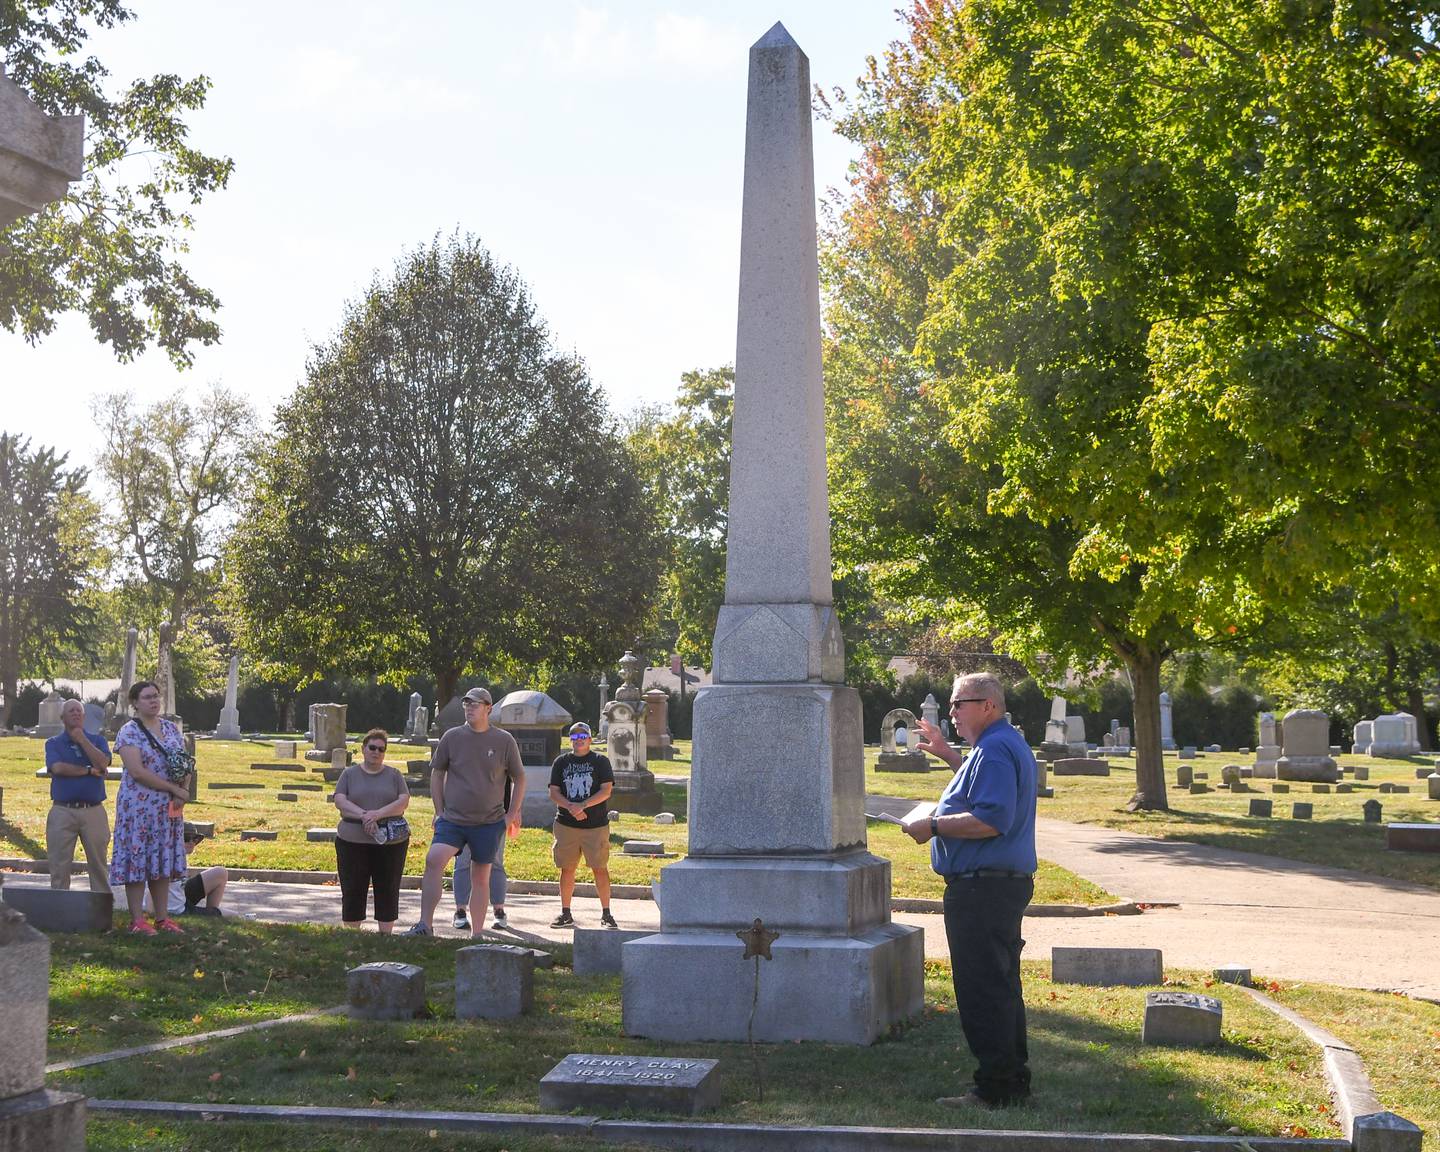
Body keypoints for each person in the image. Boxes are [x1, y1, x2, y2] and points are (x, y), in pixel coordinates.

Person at [903, 672, 1038, 1109]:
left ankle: (995, 1088)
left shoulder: (996, 749)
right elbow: (987, 792)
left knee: (983, 990)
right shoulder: (997, 745)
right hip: (995, 888)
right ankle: (1010, 1080)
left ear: (988, 707)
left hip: (983, 890)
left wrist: (933, 825)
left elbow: (991, 819)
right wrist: (947, 754)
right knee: (999, 986)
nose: (952, 713)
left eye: (960, 704)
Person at [405, 687, 524, 937]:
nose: (469, 708)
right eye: (467, 704)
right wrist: (439, 811)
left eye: (475, 704)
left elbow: (520, 777)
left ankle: (477, 934)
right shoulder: (452, 737)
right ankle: (425, 925)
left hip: (489, 822)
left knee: (480, 877)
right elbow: (438, 773)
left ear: (488, 708)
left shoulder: (504, 740)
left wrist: (511, 814)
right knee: (434, 860)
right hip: (453, 819)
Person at [109, 680, 192, 935]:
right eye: (147, 697)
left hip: (167, 808)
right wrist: (174, 789)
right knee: (139, 860)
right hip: (138, 806)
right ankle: (137, 920)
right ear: (135, 702)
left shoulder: (170, 728)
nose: (153, 701)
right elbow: (137, 771)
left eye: (156, 696)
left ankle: (162, 918)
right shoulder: (129, 732)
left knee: (161, 859)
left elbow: (184, 761)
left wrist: (183, 789)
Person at [332, 728, 411, 934]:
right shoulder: (349, 774)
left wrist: (378, 815)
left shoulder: (394, 775)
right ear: (363, 749)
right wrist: (364, 815)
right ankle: (352, 933)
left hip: (389, 843)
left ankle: (385, 935)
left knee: (388, 887)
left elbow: (403, 801)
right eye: (372, 747)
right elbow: (340, 799)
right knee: (352, 887)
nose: (376, 752)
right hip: (352, 840)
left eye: (381, 749)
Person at [548, 721, 616, 929]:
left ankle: (606, 913)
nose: (579, 740)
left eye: (583, 736)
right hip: (566, 825)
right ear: (571, 740)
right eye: (575, 737)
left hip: (595, 826)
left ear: (589, 738)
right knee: (567, 869)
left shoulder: (600, 761)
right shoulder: (561, 762)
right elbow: (554, 792)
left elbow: (606, 790)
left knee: (600, 868)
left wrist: (583, 806)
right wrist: (571, 807)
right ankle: (565, 912)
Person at [44, 697, 112, 891]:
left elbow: (103, 763)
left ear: (84, 716)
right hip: (62, 811)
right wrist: (88, 771)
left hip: (93, 811)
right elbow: (57, 768)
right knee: (59, 867)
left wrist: (82, 740)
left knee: (99, 866)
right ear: (62, 717)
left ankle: (100, 915)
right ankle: (59, 915)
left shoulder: (98, 740)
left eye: (78, 711)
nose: (75, 713)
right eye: (70, 711)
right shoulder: (54, 743)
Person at [145, 823, 228, 917]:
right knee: (232, 914)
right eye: (186, 838)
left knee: (220, 873)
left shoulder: (179, 857)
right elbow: (153, 885)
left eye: (195, 838)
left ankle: (212, 913)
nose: (191, 842)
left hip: (180, 896)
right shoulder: (168, 858)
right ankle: (212, 914)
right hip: (176, 909)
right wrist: (151, 914)